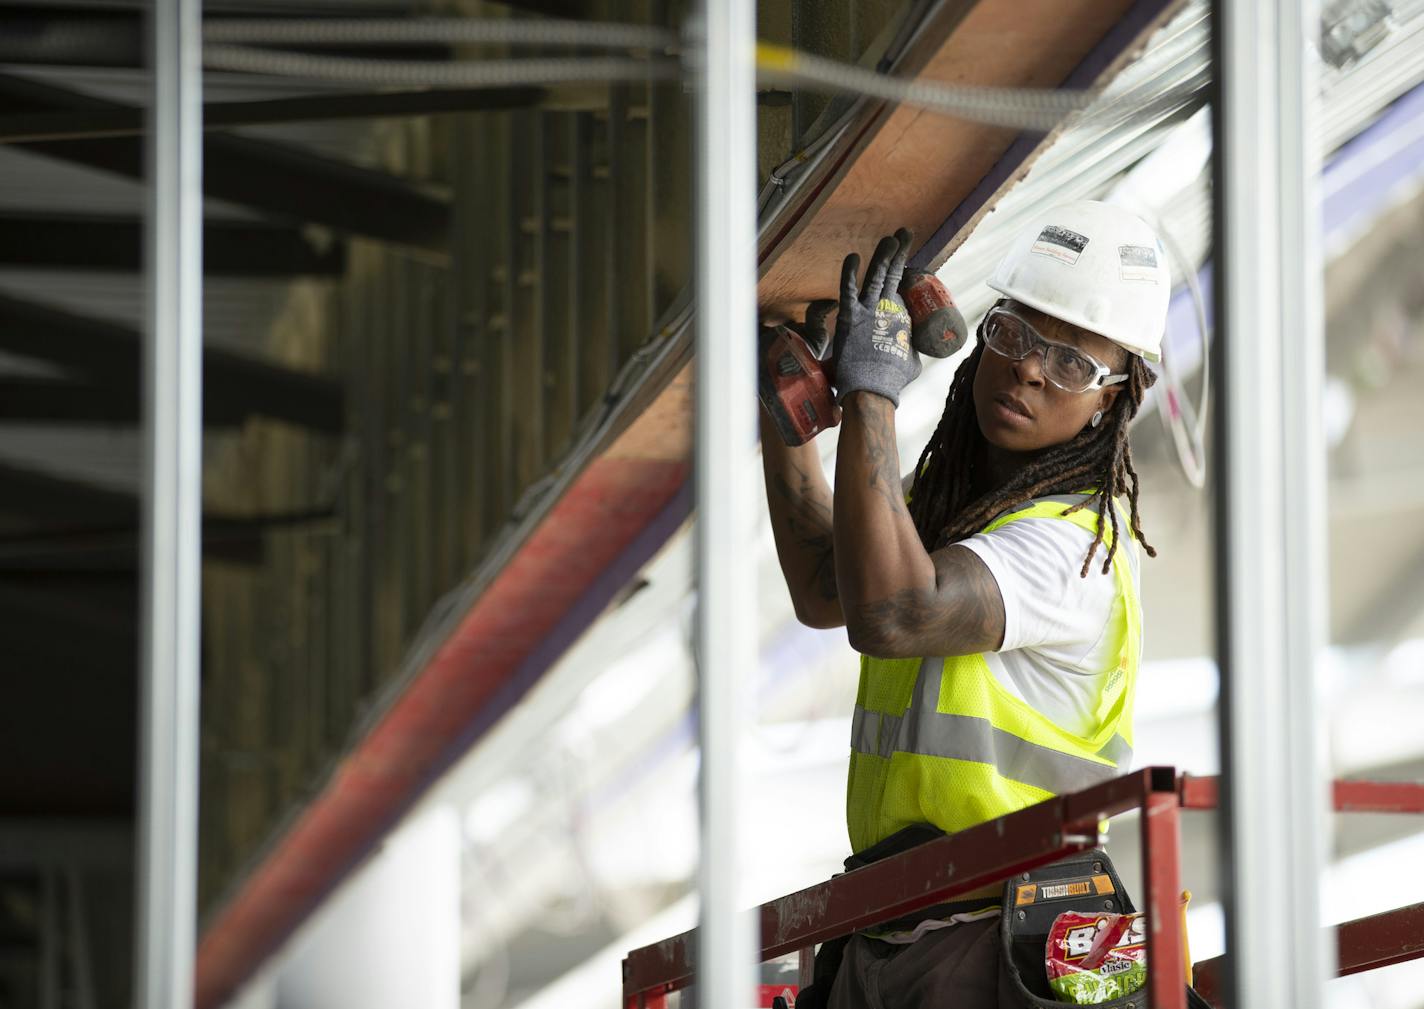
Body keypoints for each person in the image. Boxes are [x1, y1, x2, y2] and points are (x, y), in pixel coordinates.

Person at [758, 201, 1168, 1006]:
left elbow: (895, 613)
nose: (1029, 370)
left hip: (1011, 937)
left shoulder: (1077, 549)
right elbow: (824, 586)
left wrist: (872, 395)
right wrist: (790, 421)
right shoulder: (951, 506)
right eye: (1015, 336)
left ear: (1113, 400)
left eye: (1073, 364)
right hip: (903, 919)